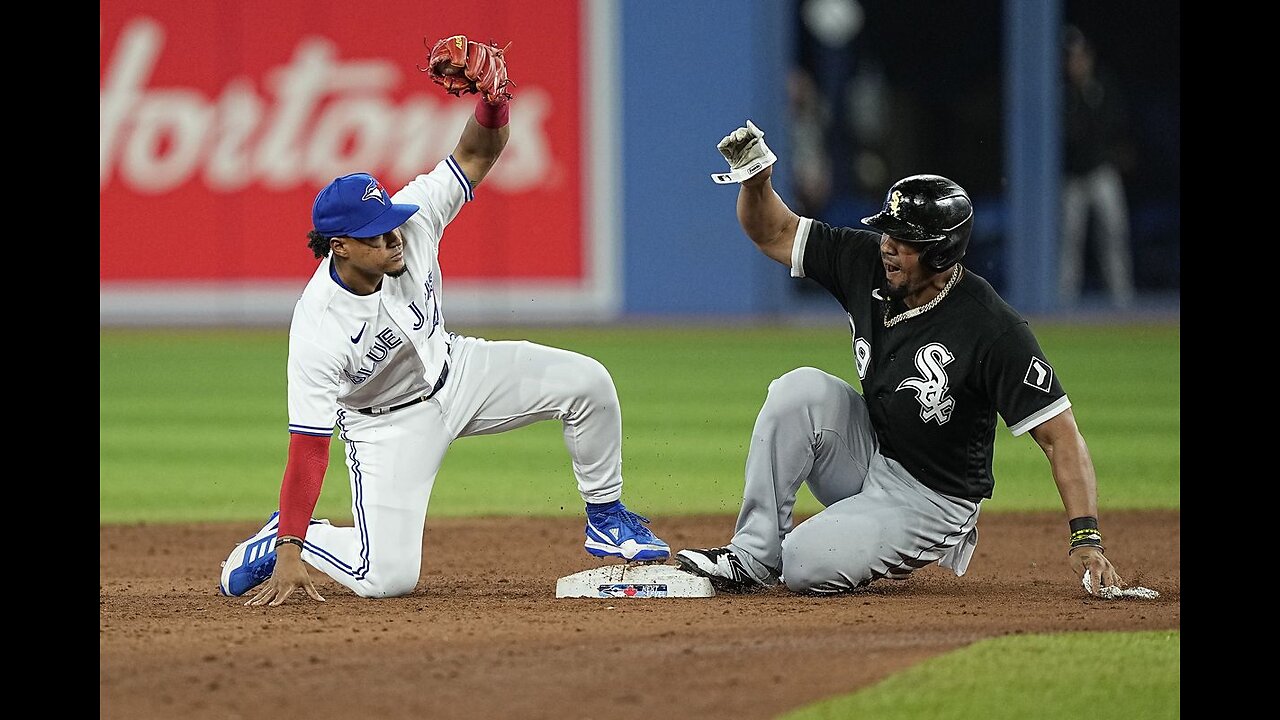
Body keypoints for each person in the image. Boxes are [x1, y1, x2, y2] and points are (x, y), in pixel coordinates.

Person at [218, 36, 668, 606]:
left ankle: (607, 520)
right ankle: (287, 539)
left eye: (390, 221)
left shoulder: (414, 220)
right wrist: (290, 545)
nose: (392, 236)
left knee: (588, 384)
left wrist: (495, 103)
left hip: (459, 371)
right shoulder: (318, 327)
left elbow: (477, 154)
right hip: (386, 427)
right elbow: (308, 447)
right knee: (388, 579)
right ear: (340, 247)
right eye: (375, 234)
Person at [676, 121, 1125, 596]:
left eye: (904, 238)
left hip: (932, 498)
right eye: (887, 232)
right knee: (798, 389)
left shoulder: (991, 327)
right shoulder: (866, 261)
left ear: (941, 251)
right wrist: (756, 180)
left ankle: (845, 541)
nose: (887, 245)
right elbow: (775, 233)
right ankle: (753, 555)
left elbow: (1060, 436)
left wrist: (1086, 536)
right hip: (872, 453)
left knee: (806, 564)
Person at [1059, 24, 1135, 308]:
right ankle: (1063, 303)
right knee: (1070, 240)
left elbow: (1119, 125)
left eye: (1080, 56)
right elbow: (1067, 136)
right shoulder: (1062, 94)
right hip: (1073, 177)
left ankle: (1122, 300)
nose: (1076, 63)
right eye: (1070, 57)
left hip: (1102, 171)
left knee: (1114, 234)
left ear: (1088, 57)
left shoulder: (1102, 87)